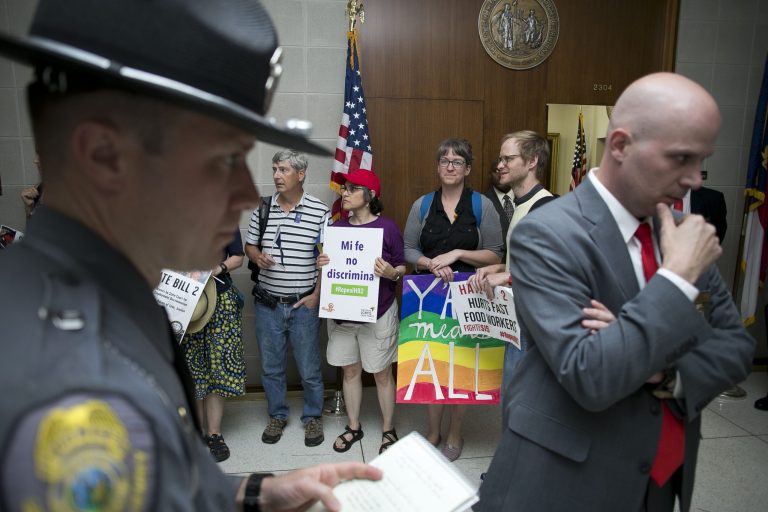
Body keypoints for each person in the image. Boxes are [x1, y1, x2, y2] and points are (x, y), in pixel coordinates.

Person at [0, 1, 381, 510]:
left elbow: (155, 480)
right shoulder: (59, 375)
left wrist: (254, 493)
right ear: (104, 155)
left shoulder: (110, 297)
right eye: (224, 158)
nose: (248, 193)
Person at [477, 73, 755, 512]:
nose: (694, 180)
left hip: (660, 480)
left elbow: (737, 348)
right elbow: (591, 375)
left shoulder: (684, 234)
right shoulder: (548, 232)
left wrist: (663, 374)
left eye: (700, 160)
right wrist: (677, 280)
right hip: (566, 479)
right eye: (680, 158)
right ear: (621, 146)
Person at [403, 138, 503, 461]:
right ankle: (433, 430)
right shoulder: (421, 205)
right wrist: (430, 263)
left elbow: (496, 254)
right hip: (429, 298)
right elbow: (408, 251)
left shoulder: (481, 206)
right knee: (433, 365)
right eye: (444, 161)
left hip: (470, 297)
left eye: (457, 161)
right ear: (437, 167)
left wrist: (458, 253)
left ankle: (456, 431)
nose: (449, 166)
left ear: (467, 169)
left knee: (461, 368)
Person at [317, 169, 406, 455]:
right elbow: (331, 269)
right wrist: (324, 264)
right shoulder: (337, 229)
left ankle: (388, 429)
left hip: (378, 312)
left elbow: (402, 267)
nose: (344, 192)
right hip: (343, 314)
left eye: (352, 188)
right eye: (344, 188)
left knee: (381, 373)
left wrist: (393, 273)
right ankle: (354, 426)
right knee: (350, 370)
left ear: (370, 196)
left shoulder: (388, 229)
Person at [245, 149, 329, 448]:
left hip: (303, 304)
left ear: (301, 174)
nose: (277, 176)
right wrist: (257, 256)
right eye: (274, 169)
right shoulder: (264, 208)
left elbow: (326, 259)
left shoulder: (320, 212)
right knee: (271, 366)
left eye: (283, 170)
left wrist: (317, 295)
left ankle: (313, 417)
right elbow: (249, 245)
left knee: (309, 368)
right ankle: (277, 415)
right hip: (268, 303)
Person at [471, 130, 556, 387]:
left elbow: (551, 271)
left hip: (534, 324)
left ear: (532, 162)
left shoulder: (547, 207)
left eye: (508, 159)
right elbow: (526, 260)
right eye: (500, 159)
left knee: (519, 398)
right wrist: (498, 266)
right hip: (516, 319)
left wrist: (506, 276)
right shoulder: (521, 205)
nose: (499, 166)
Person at [181, 229, 247, 463]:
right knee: (192, 370)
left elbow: (238, 256)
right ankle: (196, 434)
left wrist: (216, 269)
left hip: (219, 299)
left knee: (219, 368)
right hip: (185, 302)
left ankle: (215, 434)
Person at [483, 157, 513, 259]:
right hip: (496, 264)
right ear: (490, 175)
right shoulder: (483, 202)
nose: (501, 174)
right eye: (496, 171)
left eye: (504, 170)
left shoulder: (524, 197)